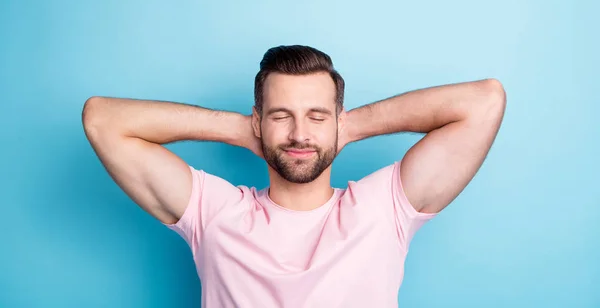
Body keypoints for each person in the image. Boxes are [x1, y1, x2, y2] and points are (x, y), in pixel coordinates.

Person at [82, 45, 506, 307]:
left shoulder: (384, 209)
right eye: (281, 116)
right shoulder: (215, 213)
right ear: (259, 121)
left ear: (336, 121)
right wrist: (241, 128)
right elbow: (102, 119)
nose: (300, 134)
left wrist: (351, 126)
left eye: (316, 117)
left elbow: (484, 101)